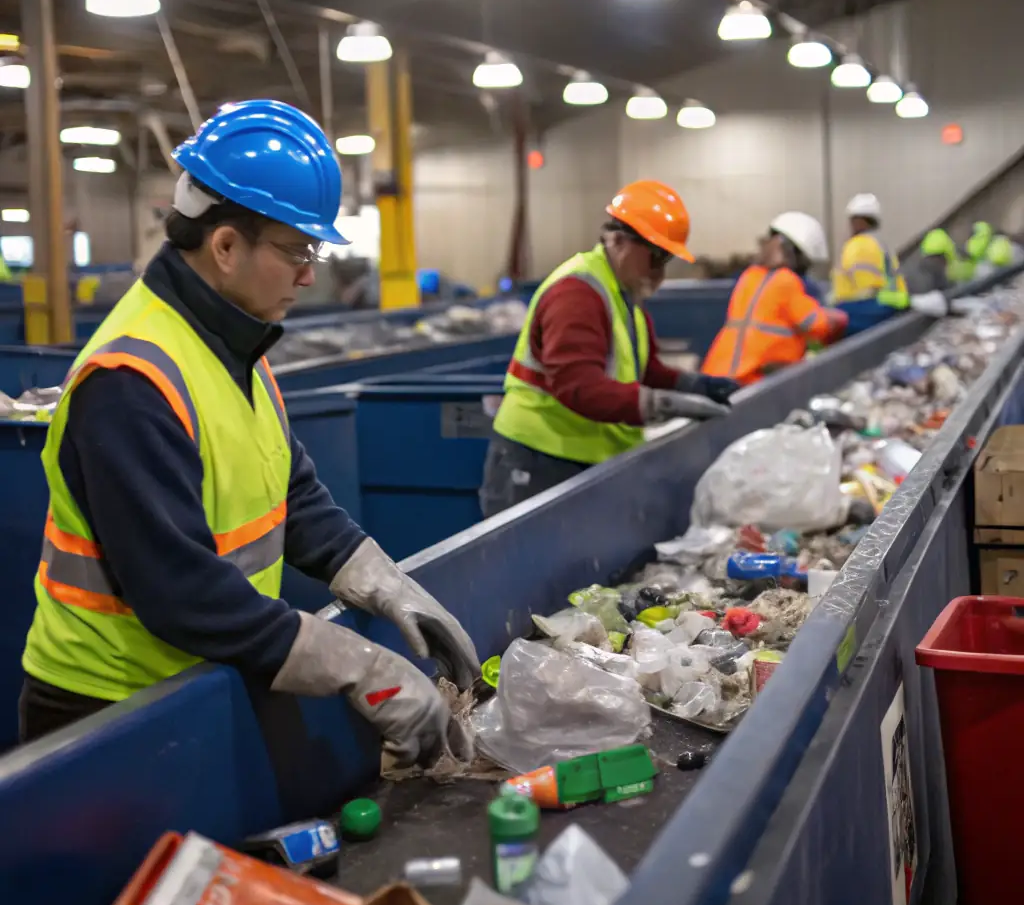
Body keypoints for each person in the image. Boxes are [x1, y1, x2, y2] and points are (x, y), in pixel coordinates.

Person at [20, 100, 479, 762]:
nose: (310, 272)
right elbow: (181, 591)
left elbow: (286, 487)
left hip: (196, 684)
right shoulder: (131, 380)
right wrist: (358, 665)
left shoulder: (235, 344)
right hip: (107, 716)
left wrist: (380, 577)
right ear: (226, 245)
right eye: (297, 249)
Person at [479, 180, 738, 518]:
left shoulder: (623, 295)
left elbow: (643, 370)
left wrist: (694, 386)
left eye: (666, 260)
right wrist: (662, 405)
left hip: (580, 462)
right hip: (538, 463)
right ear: (618, 241)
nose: (660, 273)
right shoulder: (577, 293)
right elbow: (579, 386)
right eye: (655, 258)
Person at [702, 212, 848, 385]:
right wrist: (837, 317)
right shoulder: (786, 281)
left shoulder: (749, 277)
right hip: (750, 379)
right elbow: (817, 325)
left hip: (716, 375)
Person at [830, 193, 910, 334]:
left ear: (859, 221)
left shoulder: (859, 245)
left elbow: (867, 291)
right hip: (892, 307)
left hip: (865, 314)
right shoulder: (882, 244)